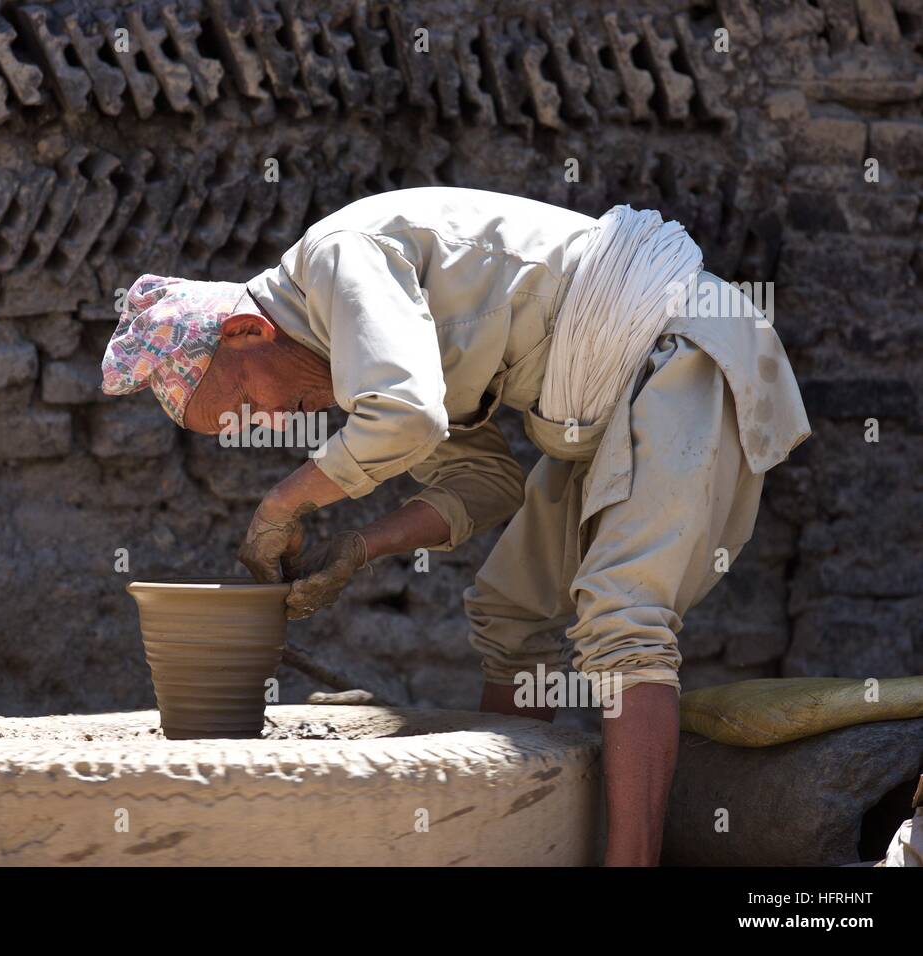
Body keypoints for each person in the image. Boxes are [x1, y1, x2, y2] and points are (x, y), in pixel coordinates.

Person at [101, 187, 810, 865]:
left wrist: (282, 504)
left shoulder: (337, 259)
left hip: (676, 342)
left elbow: (408, 417)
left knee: (624, 616)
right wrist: (358, 547)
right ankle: (521, 842)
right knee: (508, 614)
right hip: (600, 397)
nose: (268, 424)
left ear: (247, 330)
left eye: (246, 404)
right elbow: (486, 483)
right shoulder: (362, 356)